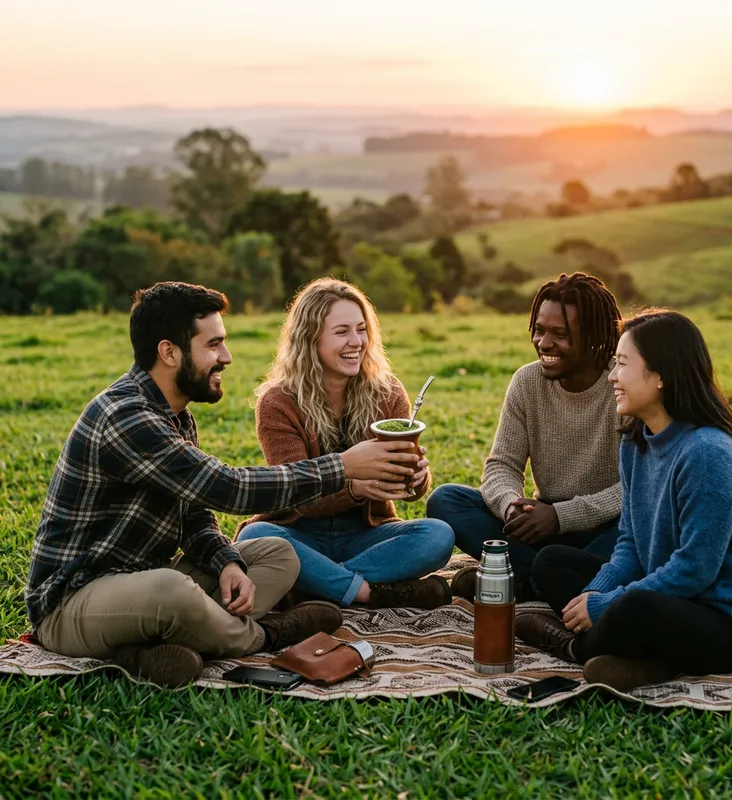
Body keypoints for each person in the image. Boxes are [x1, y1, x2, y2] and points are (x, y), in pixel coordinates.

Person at [25, 282, 421, 688]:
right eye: (213, 345)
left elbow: (194, 512)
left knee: (278, 554)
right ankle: (266, 634)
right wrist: (342, 466)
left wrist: (225, 562)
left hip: (146, 579)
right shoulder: (126, 418)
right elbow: (227, 488)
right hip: (73, 601)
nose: (226, 358)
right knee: (170, 590)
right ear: (169, 352)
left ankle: (150, 650)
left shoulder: (176, 416)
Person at [516, 310, 732, 691]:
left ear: (660, 376)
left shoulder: (707, 455)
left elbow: (695, 570)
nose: (611, 376)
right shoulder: (636, 441)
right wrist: (598, 592)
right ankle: (647, 660)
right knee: (552, 563)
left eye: (622, 364)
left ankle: (574, 647)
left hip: (729, 622)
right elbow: (631, 542)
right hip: (668, 595)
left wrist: (606, 606)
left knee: (634, 607)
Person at [236, 278, 455, 609]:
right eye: (342, 332)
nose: (357, 342)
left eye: (362, 329)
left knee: (439, 535)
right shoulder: (278, 402)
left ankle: (316, 585)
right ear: (310, 339)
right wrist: (355, 487)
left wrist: (416, 478)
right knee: (253, 539)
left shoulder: (388, 393)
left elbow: (405, 489)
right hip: (299, 531)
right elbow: (296, 492)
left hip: (366, 535)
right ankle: (370, 593)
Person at [427, 272, 624, 600]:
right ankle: (544, 580)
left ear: (592, 336)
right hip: (540, 526)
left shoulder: (621, 383)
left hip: (605, 530)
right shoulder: (527, 382)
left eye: (560, 334)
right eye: (538, 330)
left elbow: (637, 488)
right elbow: (501, 466)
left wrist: (562, 517)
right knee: (446, 499)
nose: (543, 343)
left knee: (639, 529)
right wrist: (512, 508)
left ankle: (519, 581)